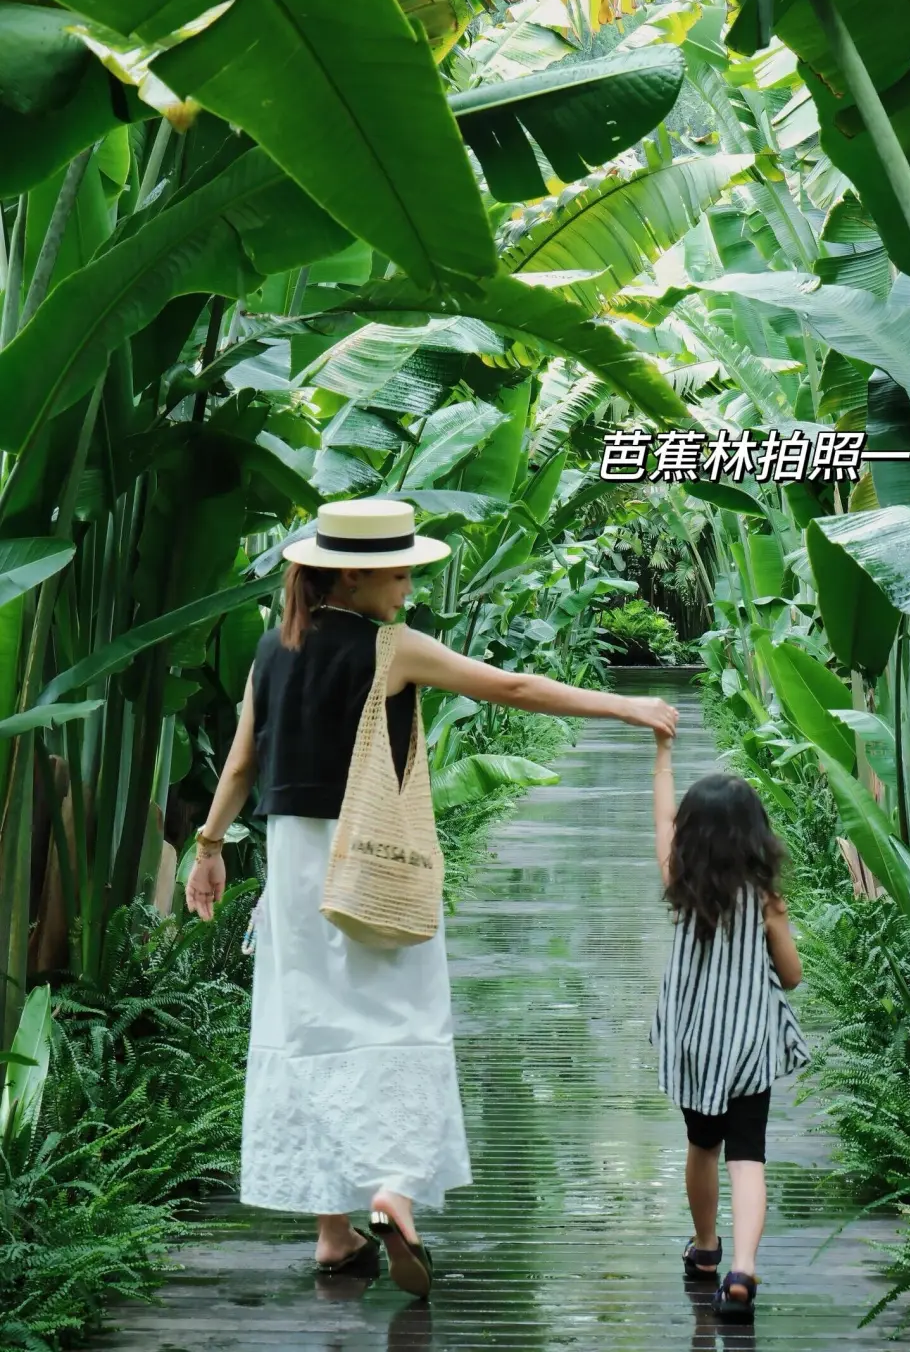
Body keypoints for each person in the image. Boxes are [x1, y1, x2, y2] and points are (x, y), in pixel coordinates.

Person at [184, 497, 679, 1300]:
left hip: (295, 864)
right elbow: (510, 686)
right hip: (376, 860)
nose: (410, 585)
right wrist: (624, 705)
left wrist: (208, 849)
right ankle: (394, 1192)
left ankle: (334, 1235)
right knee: (402, 1022)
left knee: (307, 1027)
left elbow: (240, 766)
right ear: (352, 573)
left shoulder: (272, 651)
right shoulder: (391, 649)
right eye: (400, 571)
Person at [649, 732, 809, 1322]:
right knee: (749, 1158)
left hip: (696, 1044)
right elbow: (791, 978)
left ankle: (707, 1250)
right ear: (755, 839)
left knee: (702, 1147)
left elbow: (664, 818)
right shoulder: (766, 900)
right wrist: (777, 925)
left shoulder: (679, 885)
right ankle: (743, 1269)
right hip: (750, 1047)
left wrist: (662, 756)